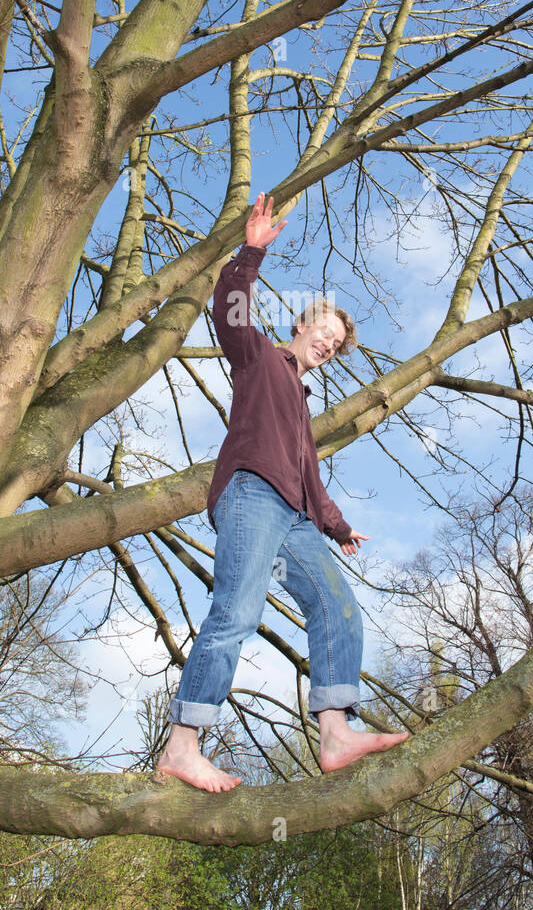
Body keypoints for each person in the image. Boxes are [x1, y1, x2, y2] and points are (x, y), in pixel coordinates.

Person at [155, 193, 409, 792]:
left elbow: (309, 477)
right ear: (300, 325)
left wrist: (337, 524)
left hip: (295, 516)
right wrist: (251, 253)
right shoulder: (260, 359)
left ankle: (334, 731)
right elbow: (229, 311)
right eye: (322, 330)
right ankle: (183, 744)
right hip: (249, 497)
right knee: (236, 611)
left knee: (339, 605)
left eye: (335, 342)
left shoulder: (300, 402)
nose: (326, 343)